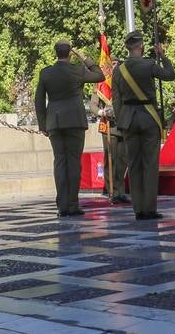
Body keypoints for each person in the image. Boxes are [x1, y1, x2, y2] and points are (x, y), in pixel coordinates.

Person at [35, 41, 104, 218]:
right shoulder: (77, 70)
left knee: (59, 162)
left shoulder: (46, 73)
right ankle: (72, 204)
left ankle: (62, 204)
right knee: (73, 163)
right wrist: (86, 59)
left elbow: (39, 101)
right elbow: (99, 75)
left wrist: (43, 125)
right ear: (70, 54)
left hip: (55, 123)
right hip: (74, 121)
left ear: (55, 53)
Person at [112, 31, 175, 221]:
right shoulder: (149, 65)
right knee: (149, 164)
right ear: (141, 46)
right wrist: (163, 57)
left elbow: (116, 100)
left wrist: (121, 121)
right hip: (149, 118)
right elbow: (170, 75)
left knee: (134, 164)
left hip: (128, 120)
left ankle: (138, 208)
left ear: (127, 47)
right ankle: (149, 208)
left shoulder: (118, 70)